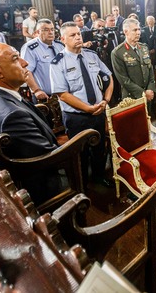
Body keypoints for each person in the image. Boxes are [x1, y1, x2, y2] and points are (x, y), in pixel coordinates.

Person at [0, 42, 62, 205]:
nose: (25, 63)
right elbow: (46, 158)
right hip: (41, 190)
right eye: (15, 59)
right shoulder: (12, 116)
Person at [50, 22, 114, 188]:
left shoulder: (91, 55)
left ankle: (99, 176)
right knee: (80, 153)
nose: (78, 37)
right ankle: (82, 183)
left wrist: (106, 100)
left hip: (98, 111)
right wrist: (88, 108)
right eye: (72, 35)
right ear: (62, 39)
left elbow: (109, 76)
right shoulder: (58, 63)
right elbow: (62, 94)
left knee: (99, 148)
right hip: (76, 116)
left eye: (78, 34)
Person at [111, 18, 155, 102]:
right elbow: (124, 80)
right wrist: (143, 93)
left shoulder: (144, 48)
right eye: (135, 30)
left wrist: (150, 88)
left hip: (148, 96)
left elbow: (150, 69)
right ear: (125, 32)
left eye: (139, 29)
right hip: (132, 98)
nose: (138, 33)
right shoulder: (117, 53)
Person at [21, 19, 64, 101]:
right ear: (37, 32)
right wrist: (36, 90)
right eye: (46, 30)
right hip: (44, 96)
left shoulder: (60, 46)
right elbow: (26, 71)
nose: (51, 32)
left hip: (64, 94)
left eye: (52, 29)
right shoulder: (31, 48)